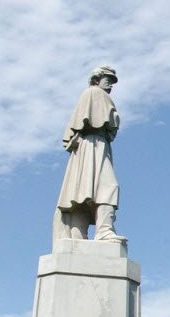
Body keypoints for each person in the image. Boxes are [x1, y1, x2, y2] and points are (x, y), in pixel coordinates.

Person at [53, 66, 127, 243]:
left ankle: (79, 235)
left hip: (96, 145)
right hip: (92, 144)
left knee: (84, 190)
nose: (110, 85)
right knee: (106, 187)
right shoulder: (94, 93)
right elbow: (106, 119)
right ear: (97, 79)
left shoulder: (95, 95)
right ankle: (104, 230)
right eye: (107, 80)